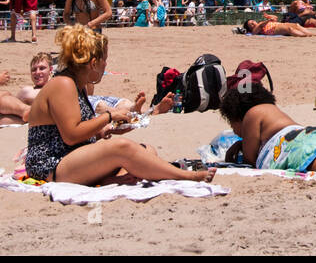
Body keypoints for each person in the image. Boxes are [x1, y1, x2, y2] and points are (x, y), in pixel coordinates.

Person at [25, 24, 214, 184]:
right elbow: (71, 136)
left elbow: (74, 132)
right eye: (104, 60)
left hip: (70, 157)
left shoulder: (77, 85)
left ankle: (111, 179)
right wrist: (109, 116)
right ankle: (187, 176)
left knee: (146, 151)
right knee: (123, 149)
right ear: (93, 63)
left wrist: (107, 130)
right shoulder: (63, 84)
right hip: (51, 166)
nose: (106, 65)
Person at [238, 14, 316, 37]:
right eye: (251, 24)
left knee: (296, 25)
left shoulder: (261, 23)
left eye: (252, 21)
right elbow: (260, 26)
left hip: (277, 25)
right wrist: (268, 20)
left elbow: (275, 18)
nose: (253, 23)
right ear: (250, 28)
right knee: (289, 29)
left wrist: (269, 16)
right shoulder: (255, 30)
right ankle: (304, 35)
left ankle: (310, 33)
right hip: (274, 30)